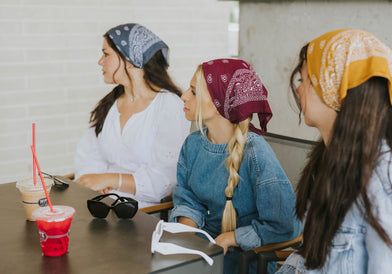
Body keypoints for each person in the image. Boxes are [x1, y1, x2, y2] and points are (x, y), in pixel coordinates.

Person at [169, 58, 301, 274]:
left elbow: (285, 225)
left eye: (193, 91)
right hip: (201, 257)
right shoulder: (192, 145)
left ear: (219, 101)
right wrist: (185, 234)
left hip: (243, 265)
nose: (183, 95)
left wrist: (233, 237)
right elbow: (188, 198)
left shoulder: (256, 153)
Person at [276, 29, 392, 273]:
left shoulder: (381, 178)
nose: (299, 90)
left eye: (305, 80)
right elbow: (309, 258)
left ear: (334, 85)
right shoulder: (326, 160)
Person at [74, 23, 190, 207]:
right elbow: (88, 157)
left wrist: (110, 179)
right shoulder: (109, 105)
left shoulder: (169, 106)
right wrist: (95, 183)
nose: (100, 61)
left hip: (144, 215)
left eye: (106, 54)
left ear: (129, 59)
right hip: (101, 205)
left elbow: (165, 181)